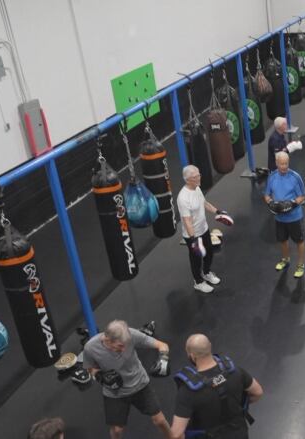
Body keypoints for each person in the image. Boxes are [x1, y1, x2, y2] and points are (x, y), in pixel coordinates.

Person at [82, 320, 172, 439]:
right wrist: (100, 376)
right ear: (108, 340)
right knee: (117, 430)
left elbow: (162, 345)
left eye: (126, 344)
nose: (124, 349)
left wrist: (163, 358)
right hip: (115, 392)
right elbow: (89, 368)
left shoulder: (131, 334)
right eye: (120, 346)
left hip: (140, 384)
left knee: (159, 420)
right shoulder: (90, 347)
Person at [170, 334, 264, 439]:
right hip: (239, 433)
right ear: (210, 346)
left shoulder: (187, 391)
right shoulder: (235, 372)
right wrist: (236, 406)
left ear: (192, 356)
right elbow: (258, 392)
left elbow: (177, 434)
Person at [177, 165, 232, 293]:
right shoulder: (183, 198)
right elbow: (187, 221)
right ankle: (198, 282)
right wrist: (193, 240)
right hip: (193, 234)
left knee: (209, 253)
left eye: (199, 175)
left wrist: (218, 211)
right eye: (196, 176)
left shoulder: (197, 188)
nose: (199, 178)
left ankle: (206, 273)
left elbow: (205, 203)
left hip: (204, 229)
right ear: (188, 179)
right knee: (196, 259)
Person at [264, 151, 305, 278]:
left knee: (299, 241)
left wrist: (292, 203)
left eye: (286, 163)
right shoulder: (272, 177)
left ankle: (300, 265)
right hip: (279, 217)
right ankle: (285, 259)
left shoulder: (295, 177)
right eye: (281, 164)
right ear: (276, 163)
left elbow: (302, 196)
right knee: (282, 240)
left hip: (294, 217)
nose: (284, 166)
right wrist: (271, 203)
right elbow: (267, 195)